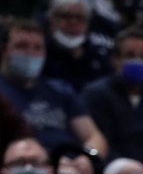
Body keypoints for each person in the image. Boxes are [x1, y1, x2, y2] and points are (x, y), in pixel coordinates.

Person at [0, 19, 109, 159]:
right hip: (24, 164)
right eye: (22, 46)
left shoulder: (60, 89)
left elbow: (93, 136)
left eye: (38, 48)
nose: (30, 52)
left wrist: (87, 158)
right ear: (4, 50)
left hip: (71, 163)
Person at [83, 28, 143, 170]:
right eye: (130, 55)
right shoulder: (97, 94)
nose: (138, 61)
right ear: (115, 60)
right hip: (113, 171)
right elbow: (101, 145)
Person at [42, 0, 114, 93]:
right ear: (52, 19)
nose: (73, 22)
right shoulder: (40, 52)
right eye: (66, 16)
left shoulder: (98, 57)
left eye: (80, 18)